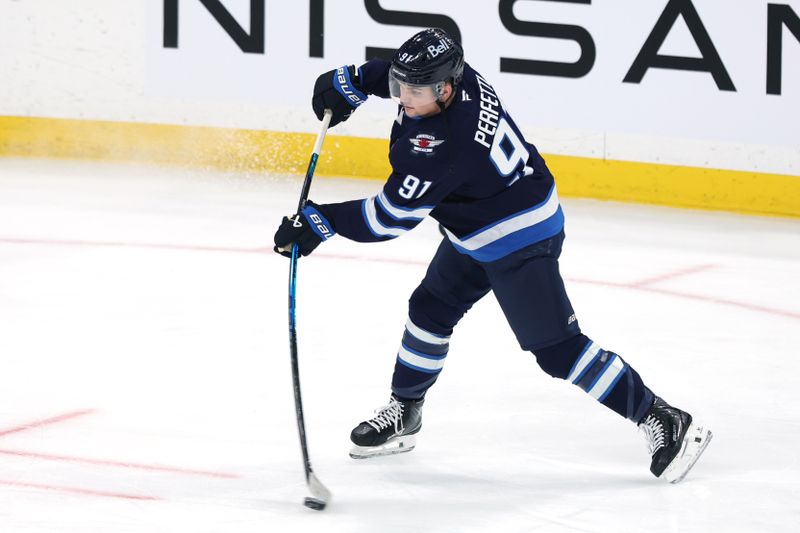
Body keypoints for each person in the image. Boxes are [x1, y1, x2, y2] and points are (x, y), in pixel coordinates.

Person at [273, 28, 712, 483]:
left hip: (520, 237)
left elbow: (389, 219)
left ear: (444, 90)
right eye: (401, 86)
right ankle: (405, 411)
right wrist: (353, 80)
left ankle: (661, 417)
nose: (403, 97)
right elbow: (402, 76)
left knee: (557, 351)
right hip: (479, 224)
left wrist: (321, 222)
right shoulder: (455, 82)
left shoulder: (439, 147)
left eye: (414, 91)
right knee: (429, 310)